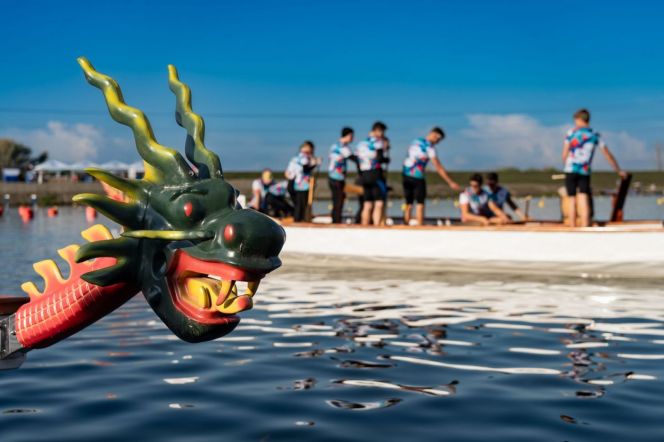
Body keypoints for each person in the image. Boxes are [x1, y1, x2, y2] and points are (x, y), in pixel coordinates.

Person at [562, 108, 627, 227]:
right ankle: (585, 227)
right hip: (584, 171)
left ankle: (572, 227)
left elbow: (564, 154)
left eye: (575, 120)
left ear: (579, 119)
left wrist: (566, 164)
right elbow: (607, 154)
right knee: (583, 197)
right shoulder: (595, 134)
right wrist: (618, 169)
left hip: (570, 169)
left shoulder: (571, 133)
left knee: (571, 199)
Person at [402, 127, 460, 225]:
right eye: (437, 139)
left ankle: (406, 224)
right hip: (418, 177)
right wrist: (450, 182)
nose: (437, 141)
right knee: (419, 203)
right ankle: (419, 226)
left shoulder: (415, 141)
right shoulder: (430, 148)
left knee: (409, 202)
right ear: (433, 134)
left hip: (405, 175)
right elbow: (438, 166)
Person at [355, 121, 389, 225]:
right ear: (377, 131)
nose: (383, 134)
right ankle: (377, 226)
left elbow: (357, 161)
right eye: (382, 132)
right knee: (379, 203)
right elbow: (380, 158)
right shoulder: (378, 142)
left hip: (364, 175)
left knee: (367, 204)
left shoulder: (361, 144)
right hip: (375, 174)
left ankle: (364, 226)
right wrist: (386, 159)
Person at [285, 141, 320, 222]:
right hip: (301, 185)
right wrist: (315, 164)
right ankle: (300, 221)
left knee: (299, 205)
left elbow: (288, 173)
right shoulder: (304, 157)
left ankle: (299, 219)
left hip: (295, 184)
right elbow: (305, 169)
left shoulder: (295, 158)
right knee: (301, 205)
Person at [328, 127, 357, 224]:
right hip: (337, 177)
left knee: (337, 200)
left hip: (332, 176)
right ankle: (336, 222)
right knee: (339, 201)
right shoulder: (343, 147)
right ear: (348, 135)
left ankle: (335, 220)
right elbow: (353, 158)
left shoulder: (334, 145)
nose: (353, 138)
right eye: (352, 136)